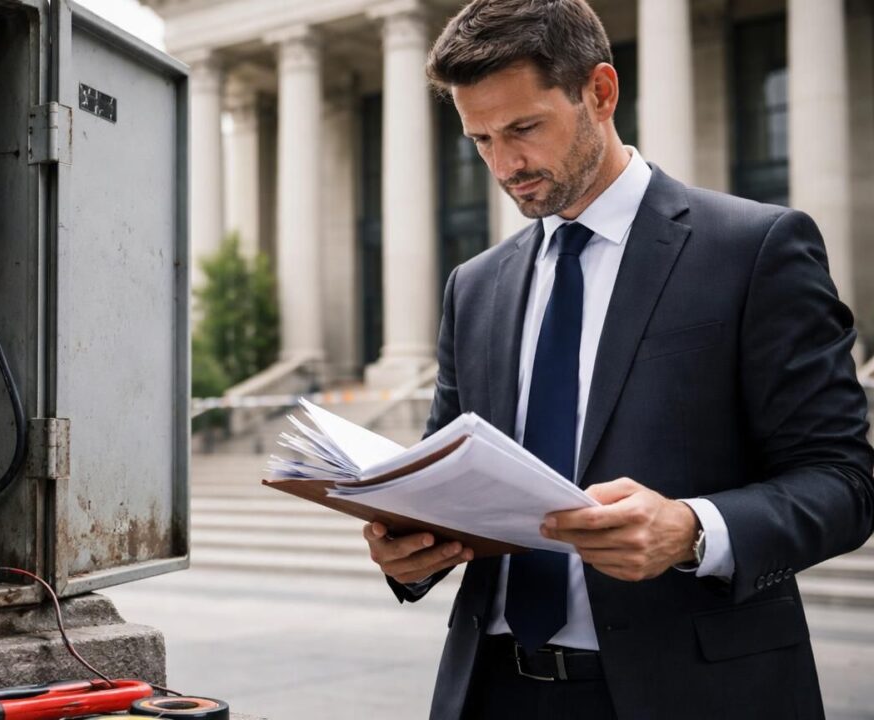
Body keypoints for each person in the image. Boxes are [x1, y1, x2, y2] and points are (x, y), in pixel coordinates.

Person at [360, 0, 874, 718]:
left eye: (524, 129)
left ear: (600, 92)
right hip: (491, 691)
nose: (505, 166)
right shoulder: (473, 287)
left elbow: (844, 481)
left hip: (694, 693)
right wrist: (410, 549)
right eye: (480, 139)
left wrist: (693, 530)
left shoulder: (754, 250)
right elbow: (451, 476)